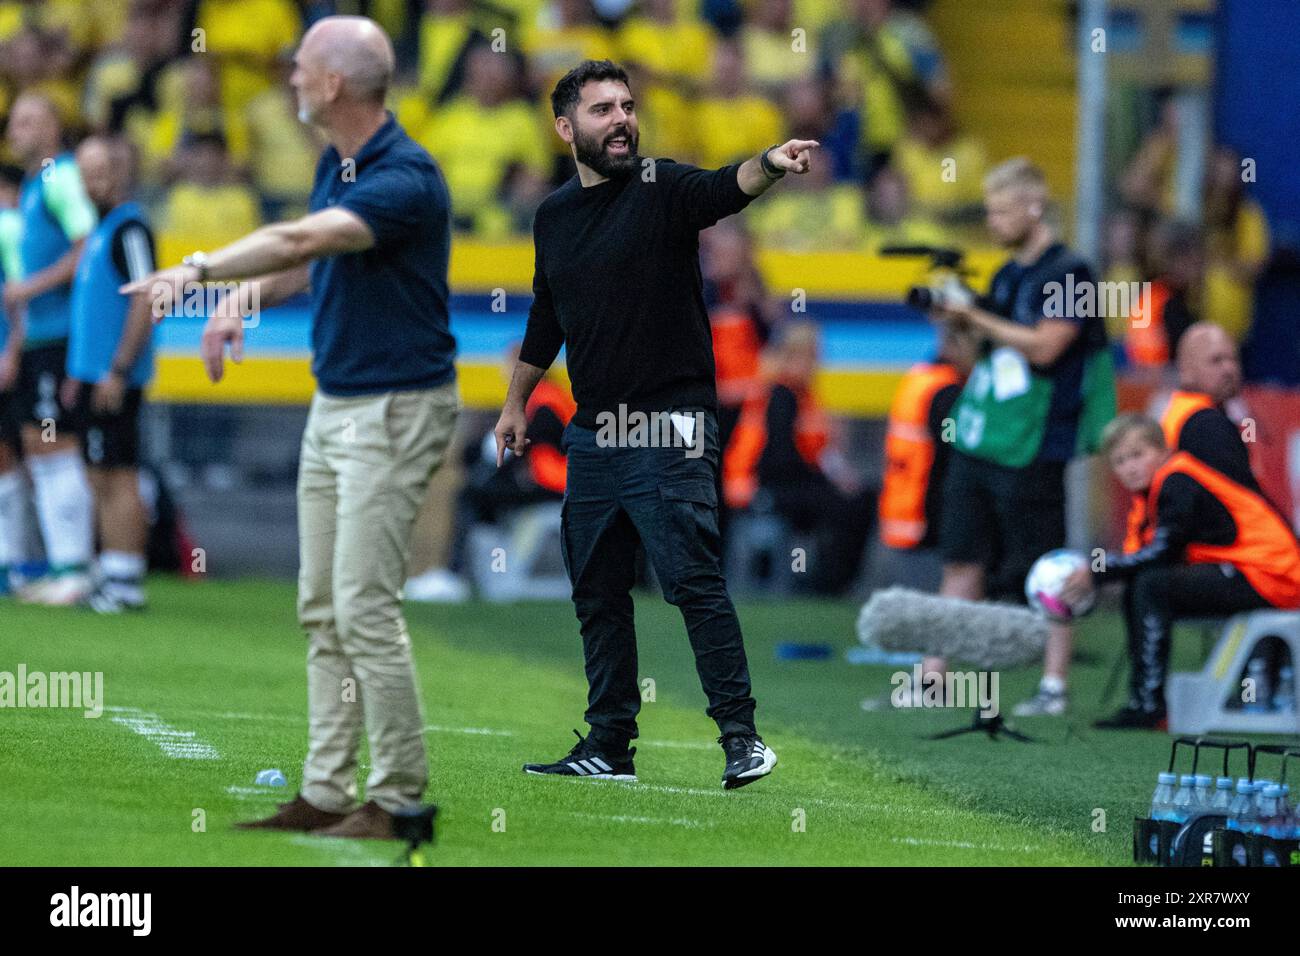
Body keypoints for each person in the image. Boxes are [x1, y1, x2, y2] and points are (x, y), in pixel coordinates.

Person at [125, 15, 459, 838]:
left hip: (394, 408)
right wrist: (241, 299)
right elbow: (311, 262)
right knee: (322, 606)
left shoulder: (406, 175)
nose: (290, 77)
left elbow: (310, 235)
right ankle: (327, 792)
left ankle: (401, 802)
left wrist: (199, 271)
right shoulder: (337, 161)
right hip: (341, 400)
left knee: (363, 606)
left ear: (335, 84)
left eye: (301, 66)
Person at [494, 59, 818, 788]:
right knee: (598, 593)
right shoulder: (554, 217)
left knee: (690, 580)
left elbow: (721, 190)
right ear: (564, 127)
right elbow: (548, 313)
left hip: (670, 422)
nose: (621, 120)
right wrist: (516, 403)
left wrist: (770, 161)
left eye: (628, 106)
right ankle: (609, 745)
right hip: (594, 430)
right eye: (603, 109)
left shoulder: (661, 187)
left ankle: (742, 739)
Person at [928, 157, 1114, 717]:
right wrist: (953, 319)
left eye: (1003, 210)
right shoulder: (1008, 274)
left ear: (1035, 206)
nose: (994, 222)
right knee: (961, 559)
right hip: (983, 433)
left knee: (1047, 566)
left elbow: (1047, 346)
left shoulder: (1072, 272)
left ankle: (1054, 686)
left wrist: (976, 318)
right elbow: (979, 357)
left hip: (1037, 441)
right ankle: (931, 681)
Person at [1063, 414, 1300, 728]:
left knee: (1152, 584)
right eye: (1119, 461)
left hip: (1275, 576)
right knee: (1144, 582)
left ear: (1162, 451)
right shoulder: (1154, 489)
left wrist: (1097, 571)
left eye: (1137, 455)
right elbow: (1150, 553)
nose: (1129, 467)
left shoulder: (1178, 479)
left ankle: (1150, 705)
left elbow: (1163, 552)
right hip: (1256, 572)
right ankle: (1143, 700)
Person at [2, 92, 99, 605]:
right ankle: (62, 567)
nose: (16, 130)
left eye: (29, 121)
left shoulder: (61, 176)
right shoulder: (39, 184)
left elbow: (88, 244)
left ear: (54, 127)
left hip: (60, 334)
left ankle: (75, 571)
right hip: (39, 337)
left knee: (55, 445)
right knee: (39, 448)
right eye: (15, 121)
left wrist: (31, 288)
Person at [66, 135, 157, 613]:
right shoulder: (102, 229)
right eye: (86, 173)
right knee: (99, 474)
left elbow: (147, 296)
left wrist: (119, 369)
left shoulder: (130, 228)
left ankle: (125, 580)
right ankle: (111, 572)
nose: (92, 182)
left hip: (115, 377)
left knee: (118, 475)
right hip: (92, 375)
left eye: (101, 170)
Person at [724, 321, 874, 595]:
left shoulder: (801, 395)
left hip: (783, 483)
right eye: (812, 356)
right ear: (792, 356)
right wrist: (828, 481)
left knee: (858, 497)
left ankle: (828, 580)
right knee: (848, 505)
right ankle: (827, 584)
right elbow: (779, 459)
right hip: (761, 488)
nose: (816, 364)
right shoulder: (780, 395)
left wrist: (839, 474)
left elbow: (819, 451)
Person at [873, 320, 975, 590]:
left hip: (905, 503)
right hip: (928, 507)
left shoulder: (919, 378)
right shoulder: (947, 390)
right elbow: (951, 443)